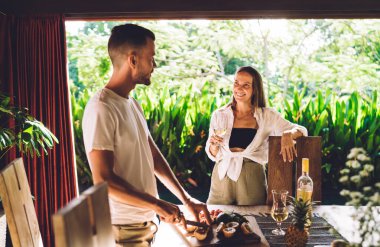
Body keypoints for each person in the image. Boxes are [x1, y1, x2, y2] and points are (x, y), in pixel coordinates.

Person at [82, 23, 211, 247]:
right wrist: (158, 204)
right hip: (122, 230)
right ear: (133, 60)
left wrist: (185, 199)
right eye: (151, 57)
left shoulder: (132, 103)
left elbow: (152, 154)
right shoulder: (102, 107)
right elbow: (103, 181)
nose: (154, 64)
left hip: (144, 224)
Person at [205, 66, 308, 205]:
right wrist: (213, 145)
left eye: (246, 85)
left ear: (255, 89)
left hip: (252, 177)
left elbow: (300, 129)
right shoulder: (219, 115)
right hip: (221, 175)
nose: (239, 88)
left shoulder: (267, 115)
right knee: (215, 216)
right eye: (236, 83)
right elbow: (213, 153)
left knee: (253, 221)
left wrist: (288, 134)